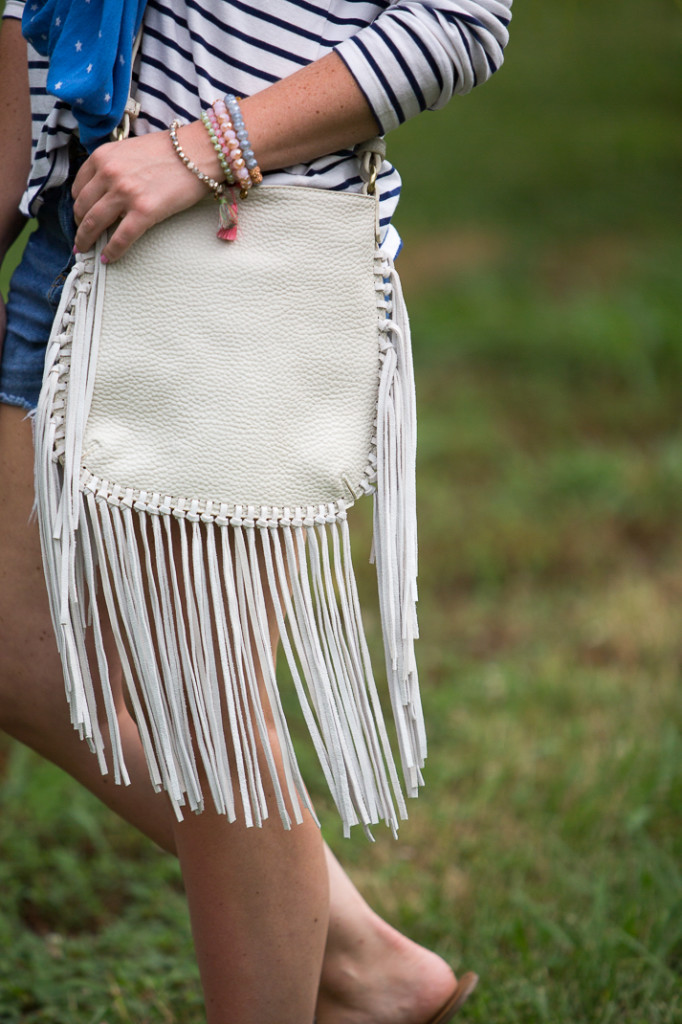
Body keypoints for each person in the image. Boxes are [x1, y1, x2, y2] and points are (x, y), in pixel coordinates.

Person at [0, 2, 512, 1021]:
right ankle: (367, 964)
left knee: (207, 698)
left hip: (230, 251)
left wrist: (204, 149)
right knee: (16, 647)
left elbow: (462, 22)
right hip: (71, 242)